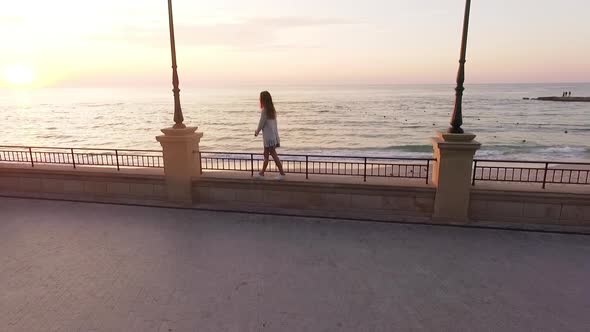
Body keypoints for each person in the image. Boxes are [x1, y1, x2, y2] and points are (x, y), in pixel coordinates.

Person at [254, 91, 286, 180]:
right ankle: (262, 173)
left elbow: (261, 123)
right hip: (272, 137)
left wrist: (256, 132)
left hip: (268, 138)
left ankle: (282, 173)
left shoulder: (264, 111)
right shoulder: (272, 110)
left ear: (263, 100)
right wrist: (277, 138)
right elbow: (275, 126)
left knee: (273, 155)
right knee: (266, 155)